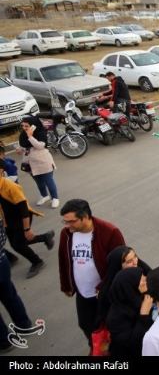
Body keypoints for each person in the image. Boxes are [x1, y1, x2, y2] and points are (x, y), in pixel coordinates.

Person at [58, 198, 126, 349]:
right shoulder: (67, 234)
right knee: (86, 324)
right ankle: (96, 347)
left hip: (106, 293)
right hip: (83, 293)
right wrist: (66, 284)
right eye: (65, 222)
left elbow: (121, 262)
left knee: (112, 326)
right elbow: (63, 259)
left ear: (86, 217)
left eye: (72, 221)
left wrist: (103, 286)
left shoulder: (109, 232)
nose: (68, 226)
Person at [0, 158, 54, 279]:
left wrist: (27, 228)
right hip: (7, 219)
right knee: (20, 240)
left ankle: (37, 262)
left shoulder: (10, 187)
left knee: (18, 244)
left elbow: (23, 208)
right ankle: (45, 237)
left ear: (1, 170)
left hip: (20, 217)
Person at [96, 245, 152, 326]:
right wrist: (144, 313)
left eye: (135, 257)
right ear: (118, 266)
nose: (135, 262)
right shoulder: (111, 295)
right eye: (129, 261)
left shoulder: (144, 272)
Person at [0, 214, 32, 354]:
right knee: (10, 295)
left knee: (9, 295)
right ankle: (24, 324)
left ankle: (4, 341)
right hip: (1, 262)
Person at [106, 267, 154, 357]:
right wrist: (144, 314)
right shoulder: (115, 318)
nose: (145, 279)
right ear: (130, 286)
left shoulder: (140, 297)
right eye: (140, 278)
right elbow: (132, 344)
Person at [17, 116, 60, 209]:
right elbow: (24, 145)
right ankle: (44, 195)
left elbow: (40, 146)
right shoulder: (23, 134)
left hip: (43, 162)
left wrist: (30, 136)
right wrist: (21, 150)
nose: (24, 128)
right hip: (30, 163)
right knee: (39, 182)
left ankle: (55, 198)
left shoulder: (41, 134)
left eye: (27, 126)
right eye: (23, 126)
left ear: (34, 126)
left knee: (49, 181)